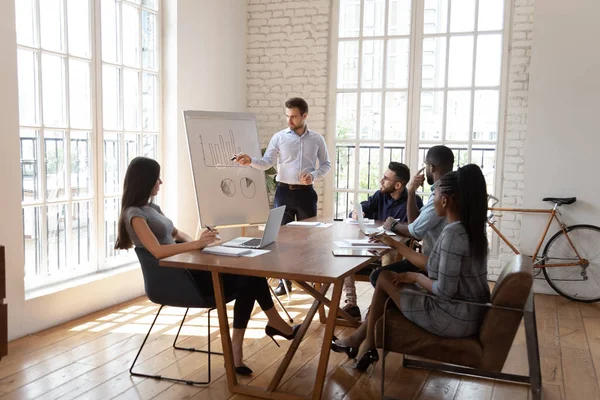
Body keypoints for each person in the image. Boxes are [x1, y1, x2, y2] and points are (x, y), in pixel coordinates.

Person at [115, 157, 299, 376]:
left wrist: (200, 242)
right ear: (144, 181)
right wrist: (196, 245)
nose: (161, 182)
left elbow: (175, 234)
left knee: (251, 276)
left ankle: (248, 342)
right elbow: (157, 251)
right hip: (176, 281)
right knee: (249, 279)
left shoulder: (152, 207)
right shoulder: (135, 215)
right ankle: (268, 329)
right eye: (157, 178)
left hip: (187, 270)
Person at [331, 164, 491, 372]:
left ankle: (364, 344)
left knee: (384, 279)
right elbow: (431, 264)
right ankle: (364, 342)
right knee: (387, 281)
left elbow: (444, 290)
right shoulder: (470, 229)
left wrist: (414, 278)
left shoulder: (453, 234)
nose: (432, 202)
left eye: (435, 196)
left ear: (444, 200)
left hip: (452, 318)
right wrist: (395, 244)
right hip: (469, 313)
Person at [235, 97, 331, 296]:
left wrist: (313, 175)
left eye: (294, 117)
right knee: (281, 239)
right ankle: (283, 282)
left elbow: (326, 165)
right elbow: (266, 162)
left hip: (306, 194)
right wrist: (250, 161)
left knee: (308, 239)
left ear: (304, 116)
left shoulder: (317, 139)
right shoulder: (279, 137)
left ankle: (310, 279)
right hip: (283, 193)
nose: (289, 121)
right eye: (287, 116)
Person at [341, 162, 423, 319]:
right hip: (372, 243)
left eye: (386, 178)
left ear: (398, 185)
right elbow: (365, 205)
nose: (381, 181)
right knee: (345, 253)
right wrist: (358, 212)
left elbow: (415, 229)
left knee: (389, 255)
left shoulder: (413, 201)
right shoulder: (380, 196)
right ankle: (352, 305)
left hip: (396, 249)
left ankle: (380, 304)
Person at [368, 145, 455, 288]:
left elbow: (415, 231)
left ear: (431, 167)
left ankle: (393, 308)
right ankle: (383, 309)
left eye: (426, 166)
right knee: (381, 275)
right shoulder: (446, 190)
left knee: (380, 277)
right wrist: (411, 192)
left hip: (432, 264)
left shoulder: (441, 194)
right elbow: (416, 225)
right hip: (432, 261)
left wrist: (393, 225)